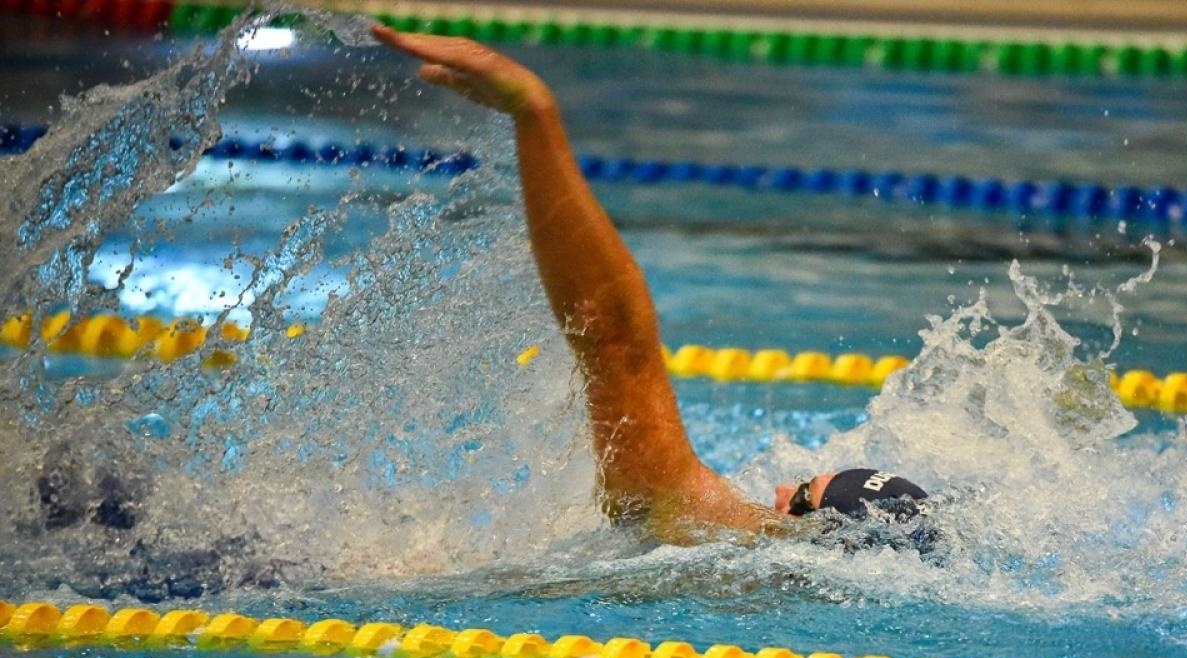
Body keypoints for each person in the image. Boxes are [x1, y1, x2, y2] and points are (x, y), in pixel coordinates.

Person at [371, 26, 931, 547]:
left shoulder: (726, 537)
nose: (782, 489)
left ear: (812, 529)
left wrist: (534, 114)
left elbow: (608, 332)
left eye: (803, 493)